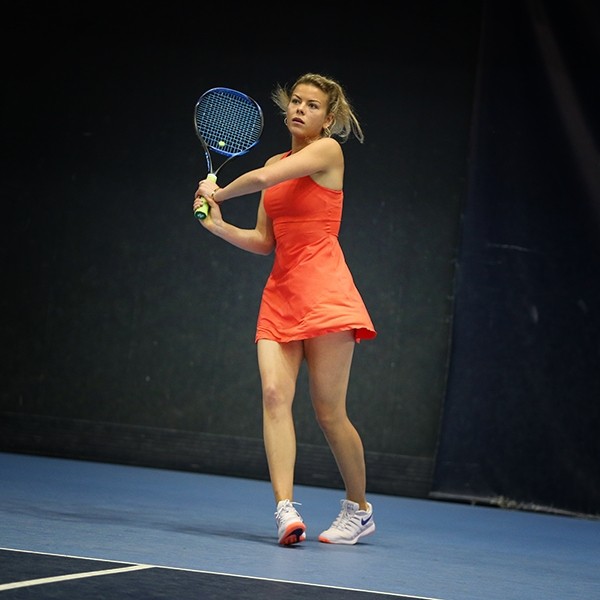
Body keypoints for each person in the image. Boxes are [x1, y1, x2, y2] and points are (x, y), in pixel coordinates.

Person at [193, 73, 377, 546]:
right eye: (295, 101)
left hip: (327, 293)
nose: (300, 109)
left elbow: (260, 179)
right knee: (275, 395)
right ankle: (285, 509)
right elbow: (263, 241)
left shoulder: (327, 152)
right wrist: (217, 225)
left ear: (328, 119)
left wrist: (218, 192)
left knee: (329, 413)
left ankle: (358, 510)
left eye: (312, 105)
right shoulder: (276, 161)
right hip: (280, 295)